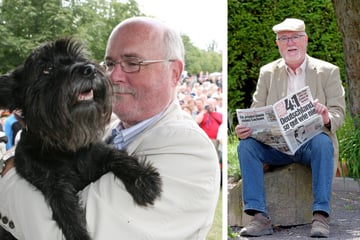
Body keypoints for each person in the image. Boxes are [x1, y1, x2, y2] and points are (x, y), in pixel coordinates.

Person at [0, 16, 220, 240]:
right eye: (110, 64)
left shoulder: (189, 151)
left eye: (133, 63)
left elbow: (61, 236)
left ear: (174, 73)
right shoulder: (99, 128)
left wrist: (7, 172)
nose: (113, 76)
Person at [235, 18, 345, 238]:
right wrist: (247, 128)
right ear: (278, 44)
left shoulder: (327, 71)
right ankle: (259, 217)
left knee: (323, 142)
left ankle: (320, 216)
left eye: (295, 37)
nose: (290, 42)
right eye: (284, 38)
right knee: (246, 146)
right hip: (277, 145)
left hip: (311, 142)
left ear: (305, 40)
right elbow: (257, 111)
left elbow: (338, 113)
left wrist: (325, 116)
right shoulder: (267, 72)